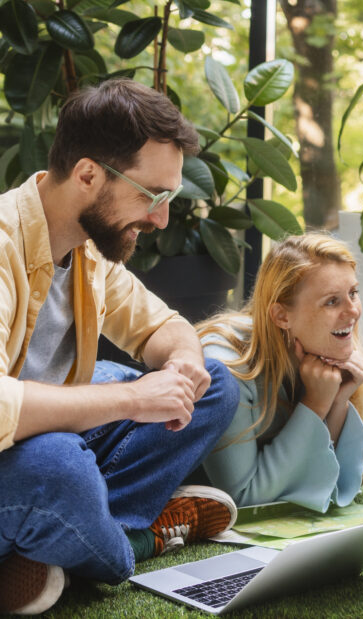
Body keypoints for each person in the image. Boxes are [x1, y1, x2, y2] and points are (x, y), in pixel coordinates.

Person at [0, 79, 239, 615]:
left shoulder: (88, 248)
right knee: (61, 464)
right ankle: (136, 541)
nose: (161, 218)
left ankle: (51, 541)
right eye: (152, 196)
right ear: (87, 175)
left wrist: (181, 364)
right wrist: (133, 401)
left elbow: (164, 327)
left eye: (169, 198)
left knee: (214, 381)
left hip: (50, 438)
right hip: (25, 454)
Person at [193, 233, 363, 510]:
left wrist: (336, 402)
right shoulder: (227, 370)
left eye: (353, 293)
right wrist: (315, 404)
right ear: (281, 316)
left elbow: (331, 480)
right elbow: (242, 499)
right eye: (331, 301)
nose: (353, 312)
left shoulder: (326, 355)